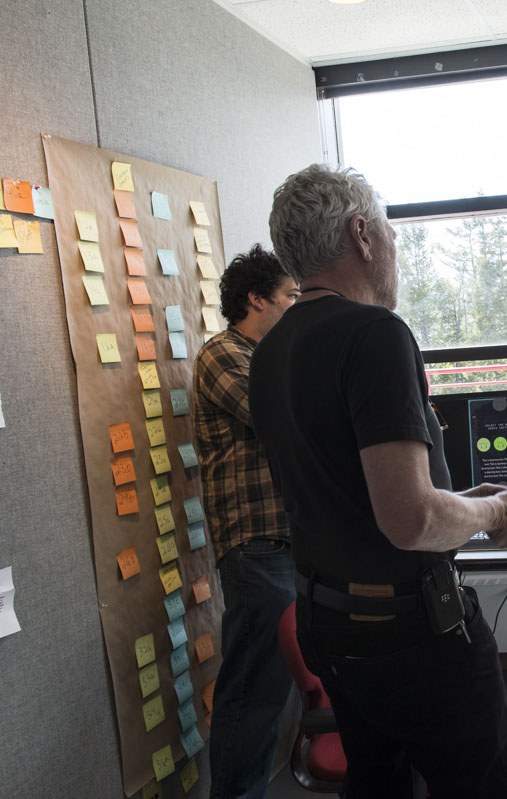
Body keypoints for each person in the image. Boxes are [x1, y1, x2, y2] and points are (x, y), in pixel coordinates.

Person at [250, 164, 507, 799]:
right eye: (387, 231)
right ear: (361, 234)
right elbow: (409, 521)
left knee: (379, 782)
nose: (393, 248)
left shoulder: (272, 351)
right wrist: (497, 514)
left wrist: (470, 501)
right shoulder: (375, 334)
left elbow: (345, 493)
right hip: (411, 635)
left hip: (328, 625)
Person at [192, 244, 300, 799]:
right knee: (253, 690)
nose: (296, 305)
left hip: (290, 545)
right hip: (256, 546)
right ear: (255, 299)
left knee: (276, 686)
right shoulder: (223, 354)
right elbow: (279, 417)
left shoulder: (275, 357)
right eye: (289, 296)